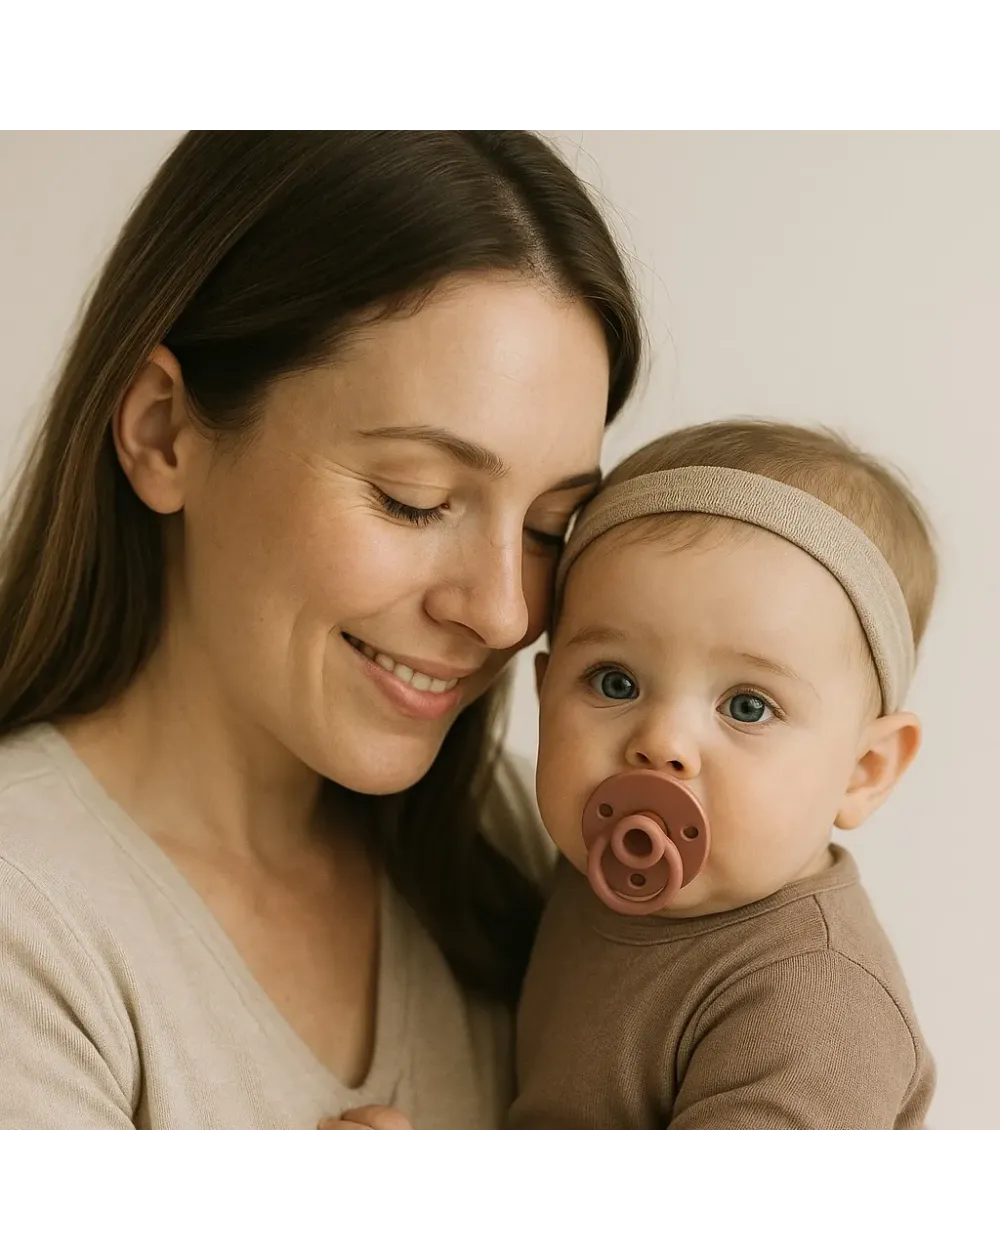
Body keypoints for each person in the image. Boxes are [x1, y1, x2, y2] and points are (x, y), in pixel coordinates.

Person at [0, 129, 642, 1133]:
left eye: (548, 528)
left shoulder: (530, 845)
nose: (503, 612)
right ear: (163, 431)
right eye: (413, 499)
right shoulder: (30, 925)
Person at [505, 418, 937, 1133]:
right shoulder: (581, 872)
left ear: (864, 771)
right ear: (545, 694)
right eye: (615, 682)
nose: (662, 744)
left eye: (747, 706)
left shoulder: (817, 1007)